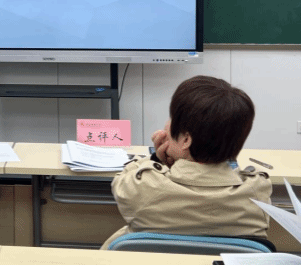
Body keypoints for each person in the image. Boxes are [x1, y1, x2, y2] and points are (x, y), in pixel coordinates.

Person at [102, 75, 272, 249]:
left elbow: (123, 180)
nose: (166, 125)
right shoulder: (257, 193)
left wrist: (156, 160)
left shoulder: (143, 187)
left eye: (172, 119)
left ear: (185, 140)